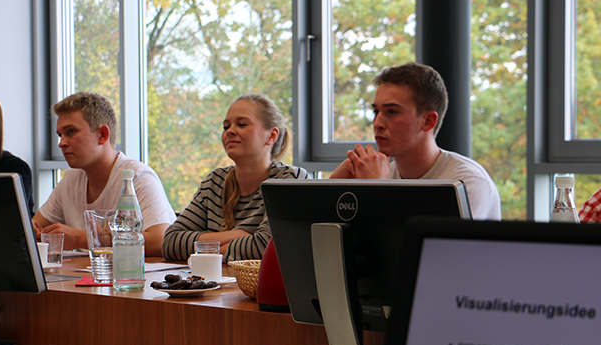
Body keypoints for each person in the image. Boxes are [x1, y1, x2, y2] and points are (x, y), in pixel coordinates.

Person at [329, 62, 502, 220]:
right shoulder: (382, 174)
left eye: (392, 112)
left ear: (427, 122)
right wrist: (330, 190)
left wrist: (378, 190)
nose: (378, 123)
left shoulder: (466, 182)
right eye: (376, 112)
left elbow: (428, 251)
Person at [162, 94, 309, 263]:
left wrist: (207, 252)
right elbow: (170, 242)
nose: (230, 131)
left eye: (242, 124)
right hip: (216, 287)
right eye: (226, 126)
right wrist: (238, 235)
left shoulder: (289, 180)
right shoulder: (214, 182)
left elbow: (266, 247)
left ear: (271, 136)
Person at [32, 92, 175, 256]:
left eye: (71, 131)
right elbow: (35, 226)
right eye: (60, 135)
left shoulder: (137, 176)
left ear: (102, 135)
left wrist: (81, 239)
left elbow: (160, 241)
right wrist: (34, 230)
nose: (62, 143)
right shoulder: (71, 178)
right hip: (88, 278)